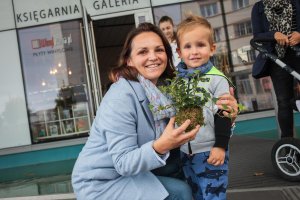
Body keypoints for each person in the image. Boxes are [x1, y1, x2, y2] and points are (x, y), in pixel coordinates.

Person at [72, 22, 238, 200]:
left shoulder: (167, 88)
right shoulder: (120, 97)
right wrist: (163, 145)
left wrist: (227, 115)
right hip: (104, 182)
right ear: (129, 60)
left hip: (142, 169)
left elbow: (198, 120)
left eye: (159, 50)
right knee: (181, 192)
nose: (153, 57)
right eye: (143, 52)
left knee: (185, 171)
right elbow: (123, 163)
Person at [175, 15, 233, 200]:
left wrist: (220, 146)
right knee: (196, 195)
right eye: (187, 46)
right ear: (179, 52)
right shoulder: (177, 81)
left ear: (212, 48)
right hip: (185, 152)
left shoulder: (217, 79)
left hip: (210, 151)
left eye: (200, 45)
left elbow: (224, 114)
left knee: (213, 196)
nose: (194, 52)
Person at [251, 0, 300, 138]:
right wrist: (273, 35)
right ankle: (288, 146)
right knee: (283, 101)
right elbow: (257, 35)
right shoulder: (258, 7)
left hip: (298, 54)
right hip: (277, 59)